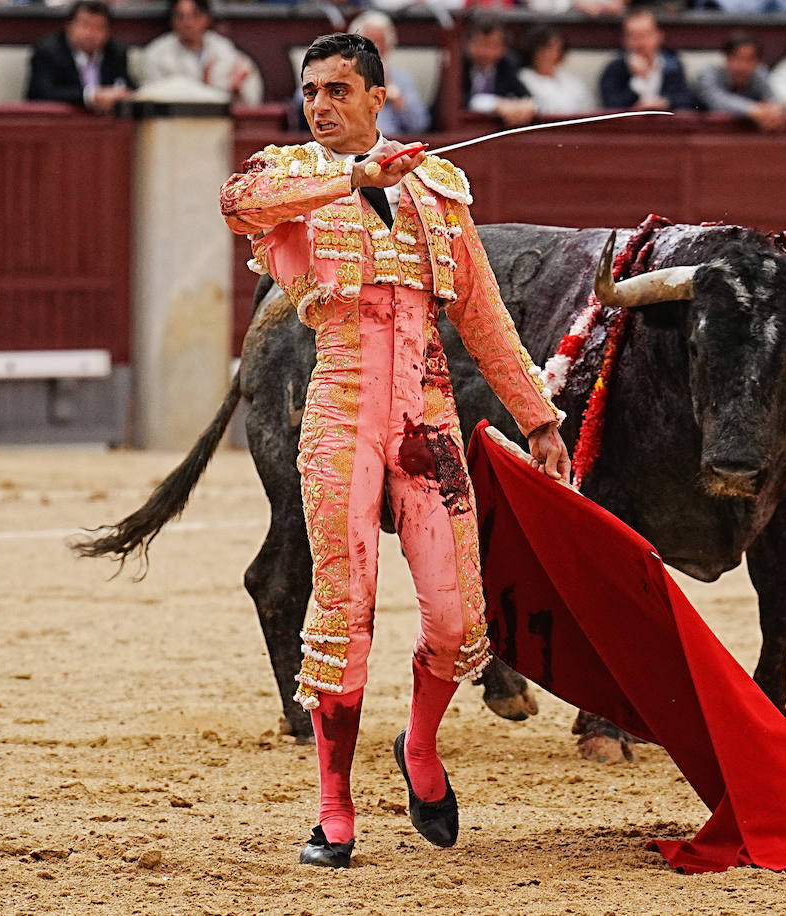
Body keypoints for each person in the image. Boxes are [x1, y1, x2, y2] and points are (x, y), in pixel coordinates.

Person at [219, 32, 569, 870]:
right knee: (345, 618)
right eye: (310, 92)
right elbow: (239, 204)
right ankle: (333, 807)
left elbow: (482, 312)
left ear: (381, 99)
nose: (321, 106)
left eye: (340, 91)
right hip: (338, 417)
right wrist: (351, 176)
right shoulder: (293, 178)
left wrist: (540, 417)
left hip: (429, 423)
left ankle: (420, 746)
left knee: (456, 623)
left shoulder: (438, 190)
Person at [140, 0, 263, 105]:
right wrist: (203, 89)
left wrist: (236, 92)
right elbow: (152, 98)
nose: (187, 23)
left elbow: (250, 99)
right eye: (180, 16)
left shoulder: (224, 49)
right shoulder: (156, 53)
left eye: (195, 15)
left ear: (207, 18)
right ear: (172, 20)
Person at [26, 0, 135, 113]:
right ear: (69, 27)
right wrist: (91, 96)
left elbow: (129, 87)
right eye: (85, 25)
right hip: (59, 123)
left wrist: (123, 94)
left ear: (108, 32)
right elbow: (42, 93)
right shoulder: (49, 51)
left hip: (105, 123)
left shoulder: (115, 52)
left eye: (98, 27)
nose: (90, 33)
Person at [598, 7, 695, 112]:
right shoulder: (614, 68)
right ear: (624, 40)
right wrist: (639, 81)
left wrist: (664, 103)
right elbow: (610, 106)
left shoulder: (673, 65)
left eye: (645, 35)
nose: (640, 42)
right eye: (633, 36)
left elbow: (687, 101)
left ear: (658, 36)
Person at [351, 11, 431, 135]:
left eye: (380, 42)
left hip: (392, 146)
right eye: (369, 42)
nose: (375, 48)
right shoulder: (342, 78)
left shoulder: (400, 78)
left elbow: (419, 124)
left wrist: (392, 91)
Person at [695, 32, 786, 131]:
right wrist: (753, 109)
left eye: (750, 59)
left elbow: (774, 100)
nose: (743, 66)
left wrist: (773, 113)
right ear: (727, 58)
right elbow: (717, 101)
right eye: (737, 58)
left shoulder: (760, 73)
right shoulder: (709, 75)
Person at [462, 16, 536, 127]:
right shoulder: (456, 65)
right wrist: (495, 104)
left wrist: (526, 106)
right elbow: (457, 101)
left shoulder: (507, 64)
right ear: (467, 44)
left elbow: (526, 97)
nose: (487, 52)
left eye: (494, 45)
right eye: (481, 44)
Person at [519, 25, 597, 116]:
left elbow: (589, 112)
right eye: (547, 48)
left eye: (558, 49)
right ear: (533, 51)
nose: (552, 54)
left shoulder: (573, 82)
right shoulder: (521, 80)